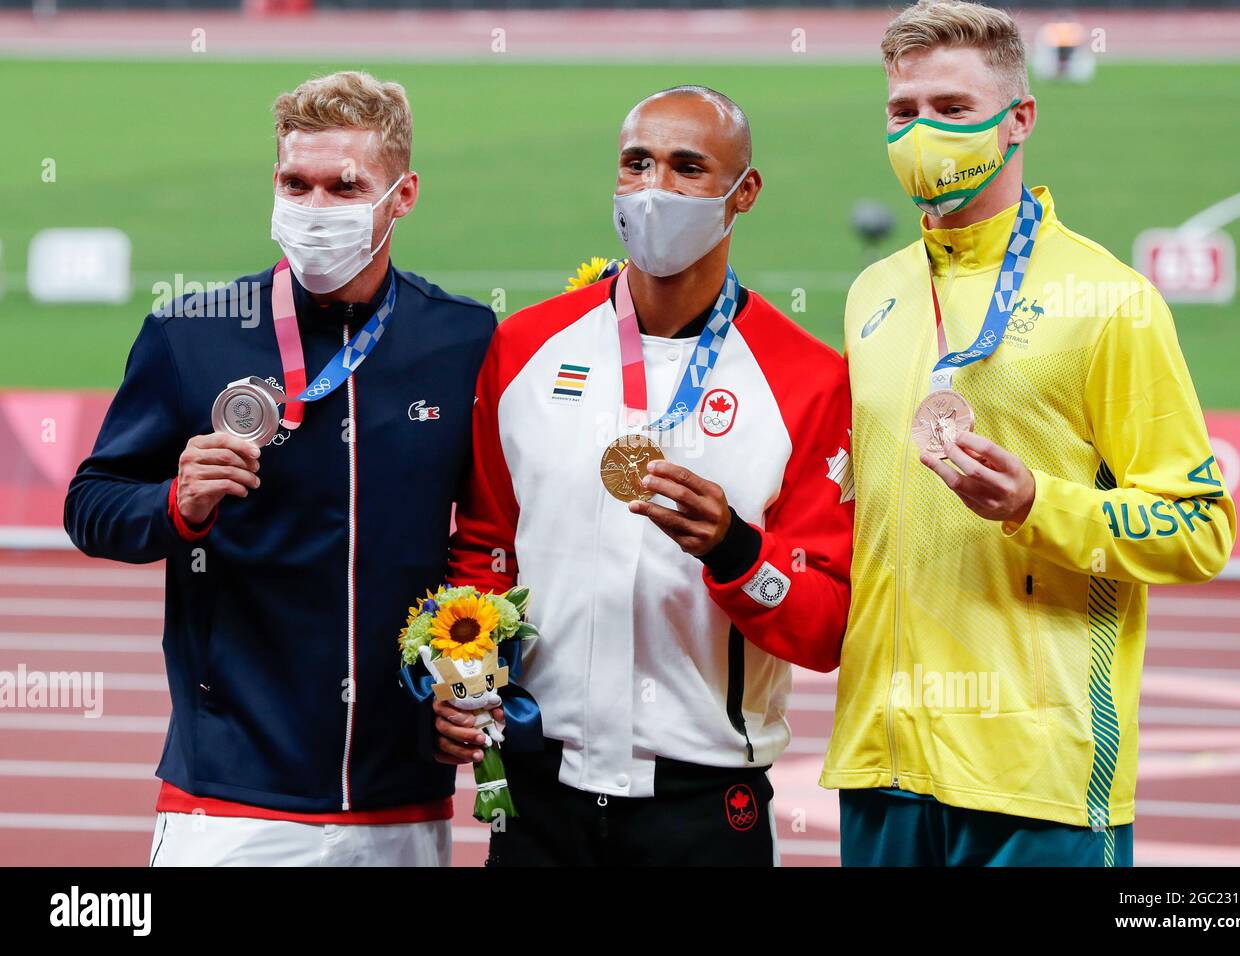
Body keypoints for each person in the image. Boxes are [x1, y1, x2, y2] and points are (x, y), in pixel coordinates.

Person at [823, 0, 1237, 867]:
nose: (922, 133)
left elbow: (1200, 528)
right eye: (903, 113)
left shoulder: (1111, 300)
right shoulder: (874, 294)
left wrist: (1036, 504)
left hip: (1037, 780)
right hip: (882, 759)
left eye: (952, 110)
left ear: (1020, 120)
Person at [64, 71, 496, 866]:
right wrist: (177, 503)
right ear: (274, 183)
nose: (315, 207)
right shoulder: (192, 331)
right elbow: (91, 506)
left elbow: (493, 541)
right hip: (228, 796)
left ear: (402, 196)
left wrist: (475, 674)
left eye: (344, 186)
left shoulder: (462, 341)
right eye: (296, 184)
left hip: (401, 796)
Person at [437, 86, 854, 866]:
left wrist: (736, 553)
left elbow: (827, 624)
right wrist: (463, 680)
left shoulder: (809, 379)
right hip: (535, 794)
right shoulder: (525, 348)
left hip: (702, 805)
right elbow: (486, 552)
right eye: (637, 164)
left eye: (688, 167)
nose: (655, 188)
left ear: (744, 193)